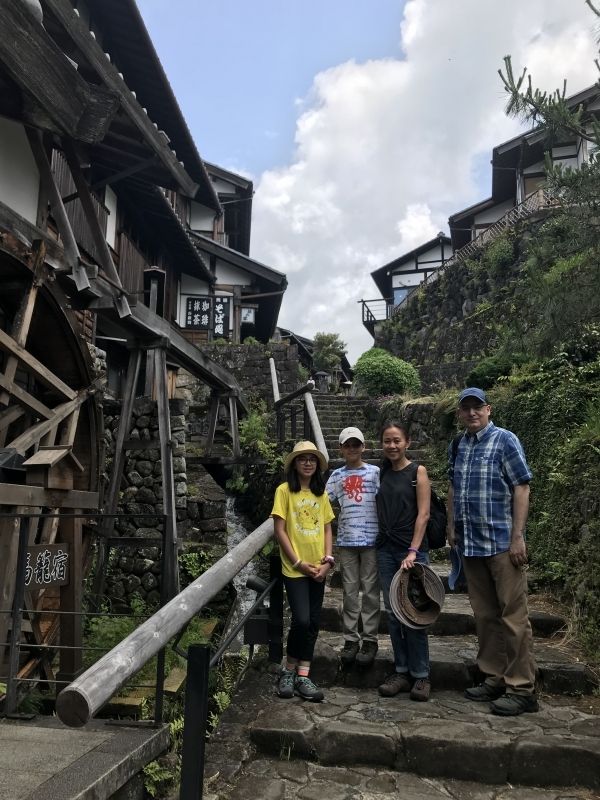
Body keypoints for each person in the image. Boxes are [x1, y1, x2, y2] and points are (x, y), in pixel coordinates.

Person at [447, 387, 537, 716]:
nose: (471, 413)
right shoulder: (457, 445)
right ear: (459, 414)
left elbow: (522, 486)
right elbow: (454, 486)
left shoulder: (505, 440)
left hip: (501, 543)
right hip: (471, 544)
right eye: (465, 408)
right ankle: (493, 676)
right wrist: (452, 526)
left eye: (477, 407)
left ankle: (522, 687)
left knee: (513, 617)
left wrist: (518, 536)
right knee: (484, 615)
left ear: (488, 409)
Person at [271, 440, 335, 702]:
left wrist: (328, 561)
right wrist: (298, 562)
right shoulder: (284, 491)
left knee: (313, 623)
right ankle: (288, 670)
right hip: (296, 568)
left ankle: (304, 675)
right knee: (302, 620)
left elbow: (329, 527)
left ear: (317, 465)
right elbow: (279, 530)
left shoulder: (322, 494)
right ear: (294, 464)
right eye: (302, 459)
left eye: (312, 459)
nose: (308, 463)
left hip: (318, 567)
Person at [376, 420, 432, 701]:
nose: (392, 445)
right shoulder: (382, 472)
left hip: (411, 552)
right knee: (394, 614)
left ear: (407, 442)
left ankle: (421, 676)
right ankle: (401, 670)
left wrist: (413, 551)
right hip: (385, 551)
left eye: (397, 440)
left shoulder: (417, 472)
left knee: (414, 614)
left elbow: (423, 514)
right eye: (387, 440)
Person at [326, 427, 380, 667]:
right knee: (349, 592)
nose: (352, 449)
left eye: (356, 444)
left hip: (371, 540)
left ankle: (370, 639)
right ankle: (350, 639)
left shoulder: (375, 472)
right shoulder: (336, 475)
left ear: (363, 447)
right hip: (347, 540)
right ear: (341, 449)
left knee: (370, 591)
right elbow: (323, 502)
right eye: (348, 445)